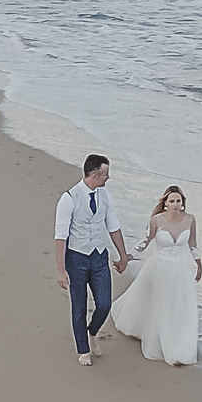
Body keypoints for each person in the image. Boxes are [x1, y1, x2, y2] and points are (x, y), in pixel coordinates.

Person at [53, 154, 131, 366]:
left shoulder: (105, 195)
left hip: (99, 257)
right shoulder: (69, 198)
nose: (108, 177)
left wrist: (123, 256)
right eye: (106, 174)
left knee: (104, 304)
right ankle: (83, 350)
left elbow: (113, 226)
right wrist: (61, 270)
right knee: (78, 307)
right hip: (76, 258)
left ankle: (93, 331)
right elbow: (61, 236)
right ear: (95, 174)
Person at [110, 184, 202, 366]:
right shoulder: (157, 220)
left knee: (179, 305)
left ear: (183, 203)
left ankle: (178, 340)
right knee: (161, 303)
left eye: (178, 201)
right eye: (172, 201)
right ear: (165, 203)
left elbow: (192, 244)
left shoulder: (190, 220)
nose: (175, 204)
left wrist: (199, 265)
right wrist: (128, 257)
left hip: (181, 270)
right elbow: (145, 242)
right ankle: (158, 338)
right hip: (159, 268)